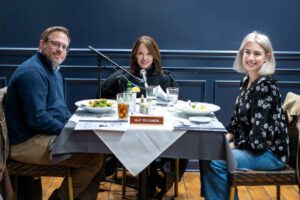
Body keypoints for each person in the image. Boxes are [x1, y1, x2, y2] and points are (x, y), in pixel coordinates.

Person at [4, 26, 104, 200]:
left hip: (41, 135)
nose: (60, 49)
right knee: (94, 158)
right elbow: (37, 119)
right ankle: (59, 198)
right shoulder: (33, 72)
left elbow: (60, 110)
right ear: (42, 44)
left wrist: (74, 124)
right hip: (25, 143)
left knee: (96, 148)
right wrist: (70, 130)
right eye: (55, 44)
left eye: (64, 47)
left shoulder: (53, 70)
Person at [202, 31, 289, 200]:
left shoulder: (265, 88)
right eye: (247, 52)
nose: (251, 57)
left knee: (217, 160)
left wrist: (232, 146)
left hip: (269, 154)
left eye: (257, 53)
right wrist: (223, 140)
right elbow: (236, 123)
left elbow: (259, 141)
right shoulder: (245, 82)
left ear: (266, 57)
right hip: (252, 148)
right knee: (208, 152)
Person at [101, 35, 188, 198]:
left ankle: (157, 181)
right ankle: (146, 185)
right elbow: (102, 93)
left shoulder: (164, 78)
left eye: (148, 54)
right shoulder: (125, 77)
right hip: (130, 136)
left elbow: (181, 104)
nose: (144, 58)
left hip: (160, 137)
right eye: (140, 53)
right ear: (134, 55)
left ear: (154, 55)